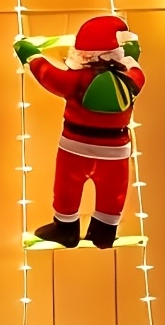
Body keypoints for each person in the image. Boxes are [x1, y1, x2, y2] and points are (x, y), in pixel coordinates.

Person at [15, 14, 143, 249]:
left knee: (67, 187)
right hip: (116, 152)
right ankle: (105, 231)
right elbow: (136, 69)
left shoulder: (74, 79)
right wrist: (132, 54)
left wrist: (29, 53)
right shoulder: (131, 78)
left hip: (75, 148)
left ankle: (66, 228)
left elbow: (46, 75)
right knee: (113, 191)